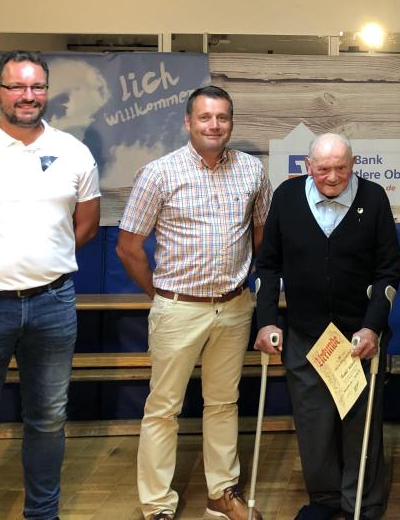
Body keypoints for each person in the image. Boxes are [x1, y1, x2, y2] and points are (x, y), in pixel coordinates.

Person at [116, 85, 272, 520]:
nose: (214, 125)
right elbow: (128, 247)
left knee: (223, 403)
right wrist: (161, 296)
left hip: (234, 305)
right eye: (204, 117)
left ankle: (221, 494)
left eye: (221, 117)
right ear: (188, 122)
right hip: (177, 306)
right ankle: (157, 504)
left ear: (231, 123)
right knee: (163, 407)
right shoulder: (159, 173)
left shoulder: (252, 172)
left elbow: (262, 236)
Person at [0, 50, 100, 520]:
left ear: (47, 91)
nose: (28, 96)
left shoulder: (73, 151)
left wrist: (43, 262)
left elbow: (85, 225)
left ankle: (42, 515)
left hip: (52, 305)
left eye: (37, 87)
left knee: (47, 420)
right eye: (17, 87)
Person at [254, 132, 400, 520]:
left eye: (341, 168)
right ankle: (325, 499)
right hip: (305, 334)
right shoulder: (286, 199)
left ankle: (362, 504)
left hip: (358, 337)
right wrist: (267, 319)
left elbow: (388, 271)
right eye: (323, 169)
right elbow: (268, 267)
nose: (333, 177)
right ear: (307, 166)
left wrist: (373, 327)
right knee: (313, 422)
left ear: (353, 164)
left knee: (360, 424)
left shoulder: (373, 198)